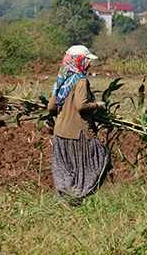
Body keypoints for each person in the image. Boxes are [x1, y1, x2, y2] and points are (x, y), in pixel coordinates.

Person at [47, 45, 112, 205]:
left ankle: (68, 201)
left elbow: (51, 107)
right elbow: (82, 106)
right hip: (79, 133)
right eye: (87, 60)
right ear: (80, 61)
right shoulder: (80, 81)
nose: (89, 64)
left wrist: (64, 115)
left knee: (66, 169)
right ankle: (79, 196)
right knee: (100, 160)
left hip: (60, 133)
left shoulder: (62, 79)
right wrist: (98, 105)